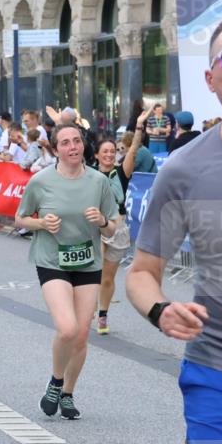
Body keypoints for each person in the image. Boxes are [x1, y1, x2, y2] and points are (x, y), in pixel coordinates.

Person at [127, 18, 222, 444]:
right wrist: (162, 309)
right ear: (212, 78)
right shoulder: (184, 170)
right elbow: (142, 272)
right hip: (219, 374)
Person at [15, 124, 119, 420]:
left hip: (87, 262)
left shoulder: (99, 181)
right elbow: (19, 218)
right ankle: (56, 381)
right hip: (52, 260)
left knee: (82, 336)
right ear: (55, 148)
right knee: (68, 328)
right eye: (65, 143)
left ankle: (68, 394)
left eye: (76, 141)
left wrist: (101, 221)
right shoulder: (41, 181)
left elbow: (114, 225)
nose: (73, 147)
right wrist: (41, 224)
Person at [92, 138, 131, 335]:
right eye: (104, 151)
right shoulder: (88, 173)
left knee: (107, 277)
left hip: (117, 227)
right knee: (94, 270)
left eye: (112, 151)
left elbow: (133, 152)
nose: (109, 154)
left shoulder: (120, 173)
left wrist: (139, 128)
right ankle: (89, 302)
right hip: (93, 227)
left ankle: (102, 315)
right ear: (97, 155)